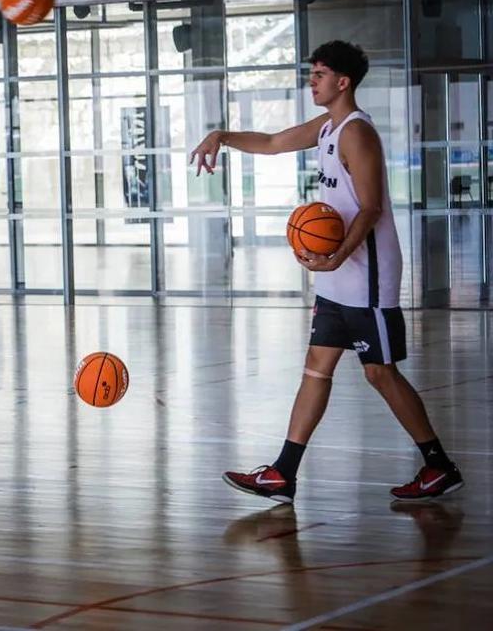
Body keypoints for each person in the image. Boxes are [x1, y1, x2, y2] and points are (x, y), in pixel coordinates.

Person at [190, 40, 463, 502]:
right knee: (316, 369)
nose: (311, 81)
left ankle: (439, 466)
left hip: (368, 274)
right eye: (311, 73)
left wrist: (338, 258)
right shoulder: (328, 127)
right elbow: (276, 143)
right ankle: (283, 472)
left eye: (318, 74)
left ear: (343, 82)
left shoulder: (357, 132)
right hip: (337, 272)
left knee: (380, 373)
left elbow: (372, 207)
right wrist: (223, 136)